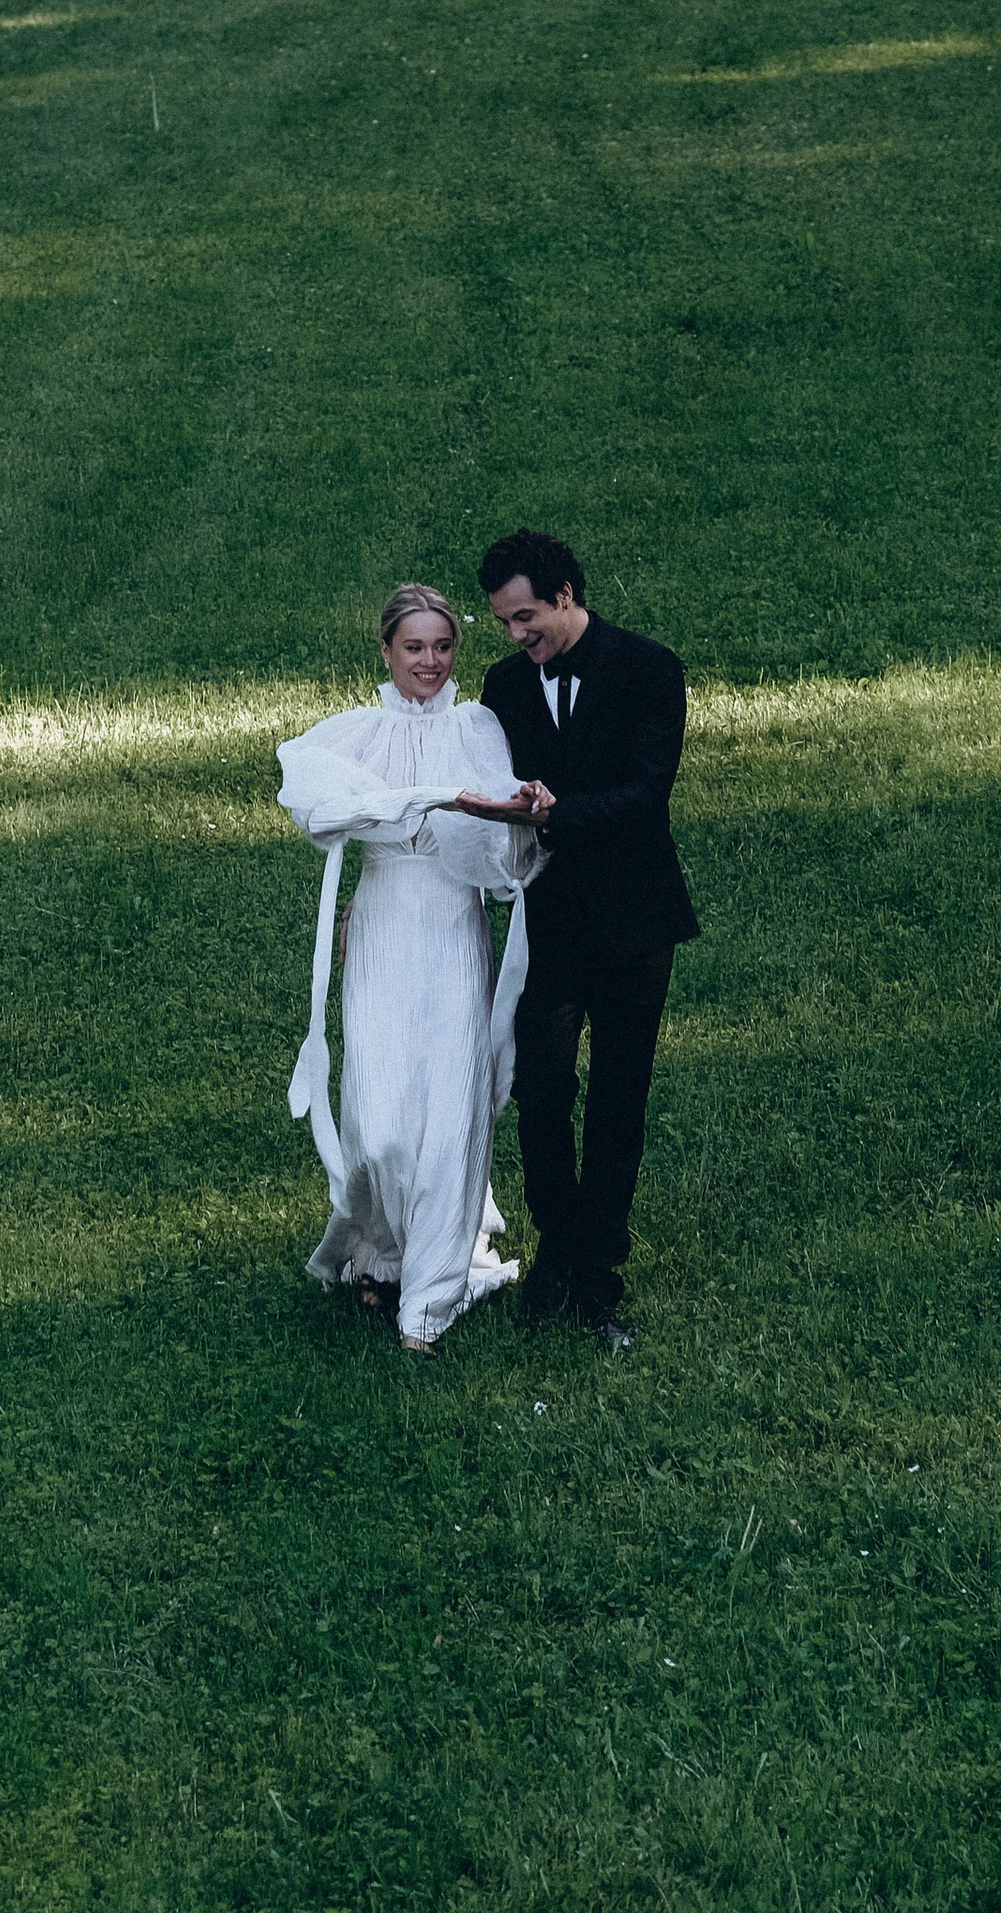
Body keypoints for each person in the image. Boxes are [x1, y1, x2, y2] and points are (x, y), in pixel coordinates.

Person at [276, 583, 544, 1352]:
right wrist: (429, 801)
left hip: (452, 929)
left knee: (451, 1106)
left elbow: (500, 850)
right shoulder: (357, 734)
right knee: (383, 1119)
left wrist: (508, 812)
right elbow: (317, 804)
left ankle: (428, 1296)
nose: (430, 662)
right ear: (388, 651)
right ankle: (381, 1251)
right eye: (414, 647)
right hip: (386, 926)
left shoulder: (477, 726)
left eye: (444, 646)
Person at [477, 528, 699, 1351]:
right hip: (552, 922)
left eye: (526, 616)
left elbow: (647, 792)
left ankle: (599, 1277)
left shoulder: (648, 667)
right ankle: (555, 1253)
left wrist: (552, 814)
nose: (515, 636)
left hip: (638, 921)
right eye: (505, 621)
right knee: (541, 1092)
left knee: (616, 1101)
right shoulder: (504, 686)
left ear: (566, 595)